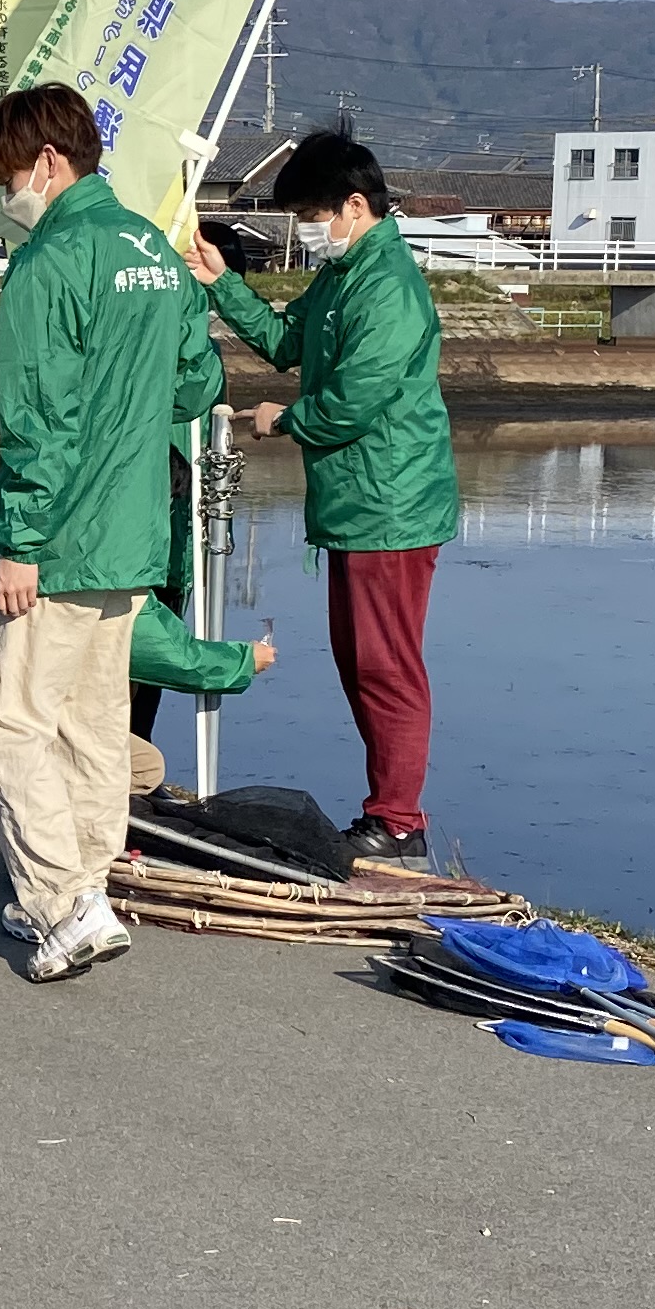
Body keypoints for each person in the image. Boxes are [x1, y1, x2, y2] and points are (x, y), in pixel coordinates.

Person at [0, 83, 223, 980]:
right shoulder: (153, 249)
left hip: (59, 534)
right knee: (93, 725)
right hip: (133, 530)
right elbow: (197, 388)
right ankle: (85, 891)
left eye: (7, 177)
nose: (7, 198)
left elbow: (37, 420)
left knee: (9, 722)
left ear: (46, 163)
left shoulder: (51, 260)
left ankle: (62, 903)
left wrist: (19, 541)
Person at [184, 127, 459, 857]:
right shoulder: (345, 276)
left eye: (311, 216)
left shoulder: (389, 286)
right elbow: (284, 343)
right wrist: (222, 283)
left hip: (392, 506)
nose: (307, 232)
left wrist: (286, 419)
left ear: (354, 206)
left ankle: (398, 821)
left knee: (386, 665)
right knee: (361, 660)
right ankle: (388, 812)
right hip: (357, 505)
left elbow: (352, 403)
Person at [0, 581, 273, 811]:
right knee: (145, 768)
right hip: (5, 727)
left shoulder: (13, 570)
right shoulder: (109, 584)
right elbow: (176, 659)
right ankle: (9, 796)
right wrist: (244, 659)